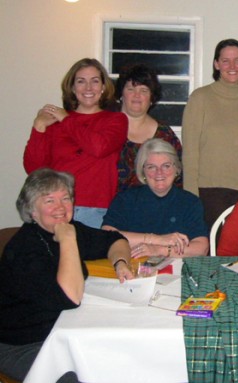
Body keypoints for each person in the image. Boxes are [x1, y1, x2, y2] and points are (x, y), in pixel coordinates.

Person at [0, 168, 133, 382]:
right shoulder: (26, 249)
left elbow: (114, 240)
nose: (60, 207)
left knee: (121, 358)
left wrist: (120, 262)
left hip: (63, 330)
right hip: (22, 343)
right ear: (32, 210)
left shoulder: (69, 229)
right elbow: (70, 297)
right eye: (49, 200)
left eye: (65, 198)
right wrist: (68, 240)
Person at [23, 58, 128, 229]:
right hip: (56, 208)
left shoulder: (116, 120)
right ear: (72, 88)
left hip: (96, 209)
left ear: (103, 87)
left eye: (95, 81)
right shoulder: (55, 123)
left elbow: (99, 148)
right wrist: (39, 126)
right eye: (81, 81)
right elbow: (35, 170)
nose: (88, 88)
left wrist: (66, 119)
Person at [182, 38, 238, 231]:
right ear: (216, 64)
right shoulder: (200, 98)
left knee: (237, 257)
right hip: (205, 193)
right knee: (208, 254)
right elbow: (190, 151)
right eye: (225, 60)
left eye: (237, 60)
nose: (232, 66)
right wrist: (190, 196)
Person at [102, 139, 209, 258]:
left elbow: (201, 248)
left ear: (176, 169)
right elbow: (106, 236)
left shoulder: (190, 202)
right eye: (151, 167)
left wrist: (159, 250)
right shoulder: (126, 199)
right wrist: (158, 239)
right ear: (143, 171)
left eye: (166, 166)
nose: (159, 173)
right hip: (133, 267)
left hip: (176, 270)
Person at [114, 63, 183, 192]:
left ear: (151, 98)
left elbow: (178, 177)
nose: (137, 95)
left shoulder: (165, 135)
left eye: (144, 90)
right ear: (121, 95)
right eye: (130, 89)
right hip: (110, 207)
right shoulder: (106, 129)